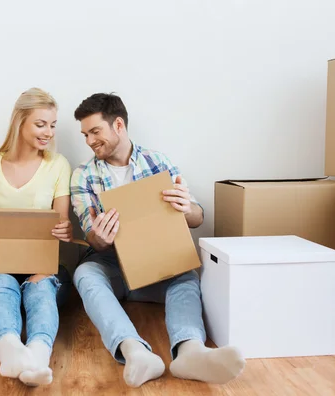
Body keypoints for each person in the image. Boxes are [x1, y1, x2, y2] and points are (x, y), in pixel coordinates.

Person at [69, 93, 246, 388]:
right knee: (85, 273)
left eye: (95, 131)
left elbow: (197, 217)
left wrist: (186, 207)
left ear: (119, 125)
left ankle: (190, 351)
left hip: (155, 260)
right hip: (110, 262)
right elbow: (92, 238)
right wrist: (99, 236)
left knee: (185, 274)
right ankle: (135, 352)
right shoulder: (83, 175)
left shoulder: (157, 161)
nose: (89, 141)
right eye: (85, 134)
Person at [0, 88, 73, 387]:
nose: (48, 132)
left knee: (42, 289)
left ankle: (37, 358)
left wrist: (65, 231)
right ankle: (9, 352)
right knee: (3, 281)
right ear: (19, 122)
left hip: (43, 272)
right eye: (40, 124)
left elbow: (61, 226)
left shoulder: (57, 165)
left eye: (52, 124)